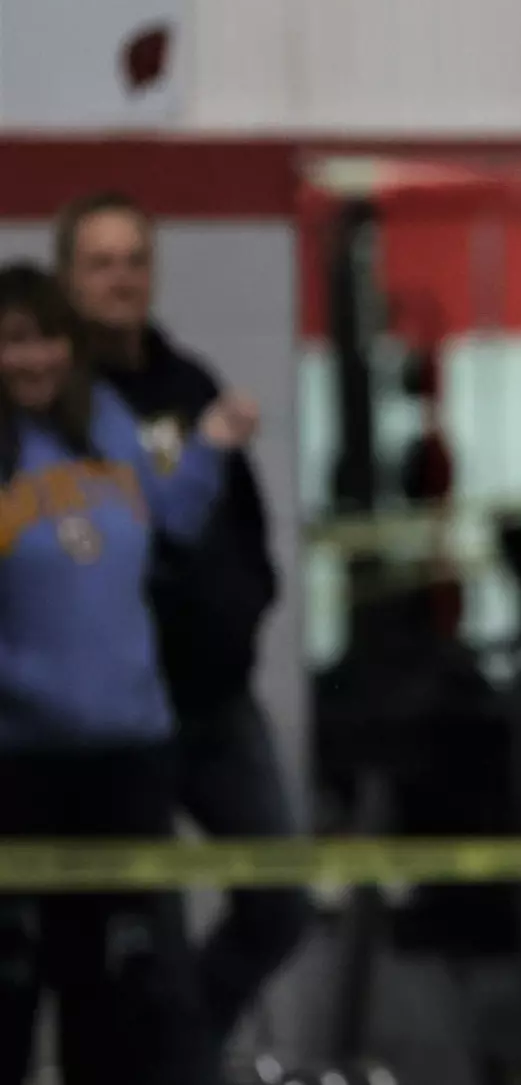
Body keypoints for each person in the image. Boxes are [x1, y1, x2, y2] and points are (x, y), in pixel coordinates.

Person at [52, 190, 309, 1076]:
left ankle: (180, 1051)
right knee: (137, 948)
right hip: (121, 720)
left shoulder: (188, 382)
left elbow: (242, 525)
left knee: (280, 901)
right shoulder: (58, 407)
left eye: (134, 260)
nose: (122, 279)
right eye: (101, 263)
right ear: (68, 280)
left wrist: (246, 605)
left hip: (218, 698)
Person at [0, 261, 259, 1085]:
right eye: (13, 343)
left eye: (47, 340)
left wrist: (213, 444)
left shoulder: (109, 422)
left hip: (129, 757)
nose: (34, 359)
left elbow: (173, 511)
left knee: (115, 995)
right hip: (20, 764)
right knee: (9, 990)